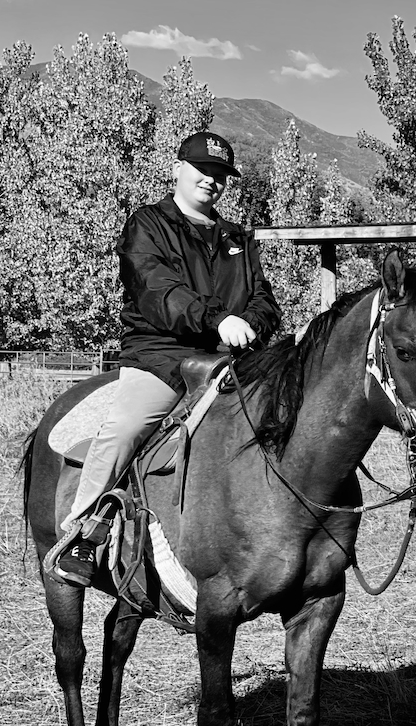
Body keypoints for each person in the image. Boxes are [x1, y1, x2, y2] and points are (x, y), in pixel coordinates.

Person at [44, 131, 281, 586]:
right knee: (125, 428)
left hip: (232, 359)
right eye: (202, 170)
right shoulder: (147, 225)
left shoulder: (237, 237)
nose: (211, 181)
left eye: (220, 174)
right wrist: (218, 321)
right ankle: (83, 534)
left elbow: (264, 299)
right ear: (178, 169)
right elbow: (157, 289)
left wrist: (250, 323)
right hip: (163, 357)